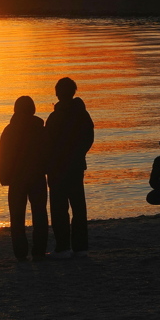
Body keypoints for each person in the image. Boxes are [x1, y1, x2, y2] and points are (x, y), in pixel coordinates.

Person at [44, 77, 94, 259]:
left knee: (59, 208)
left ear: (58, 93)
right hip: (75, 166)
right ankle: (80, 247)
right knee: (78, 206)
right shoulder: (82, 114)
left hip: (58, 168)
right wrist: (79, 154)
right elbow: (88, 138)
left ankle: (63, 247)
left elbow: (47, 143)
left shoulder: (55, 117)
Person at [0, 96, 48, 262]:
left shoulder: (10, 131)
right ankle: (39, 251)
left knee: (17, 217)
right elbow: (48, 152)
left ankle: (20, 253)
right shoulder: (40, 128)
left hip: (17, 179)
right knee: (40, 214)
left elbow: (2, 157)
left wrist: (5, 177)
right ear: (32, 110)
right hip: (37, 177)